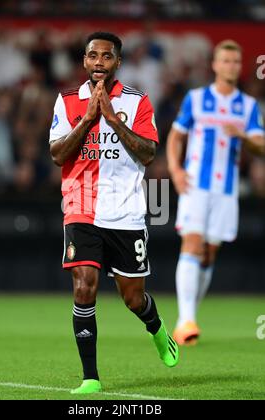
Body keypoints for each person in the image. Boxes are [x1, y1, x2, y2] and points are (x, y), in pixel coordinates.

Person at [49, 32, 179, 394]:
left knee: (133, 298)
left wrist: (111, 119)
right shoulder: (67, 101)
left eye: (107, 56)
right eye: (93, 56)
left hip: (125, 212)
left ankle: (156, 328)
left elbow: (148, 153)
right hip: (81, 206)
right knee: (83, 287)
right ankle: (90, 377)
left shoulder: (137, 103)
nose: (99, 62)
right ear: (84, 61)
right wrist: (88, 120)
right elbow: (58, 154)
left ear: (118, 62)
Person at [167, 40, 265, 346]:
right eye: (225, 61)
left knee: (208, 255)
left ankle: (190, 316)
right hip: (196, 184)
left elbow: (261, 145)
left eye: (236, 62)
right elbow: (175, 136)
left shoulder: (248, 106)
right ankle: (185, 321)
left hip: (226, 189)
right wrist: (176, 170)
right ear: (214, 64)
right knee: (192, 244)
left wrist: (244, 137)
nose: (231, 66)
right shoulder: (196, 99)